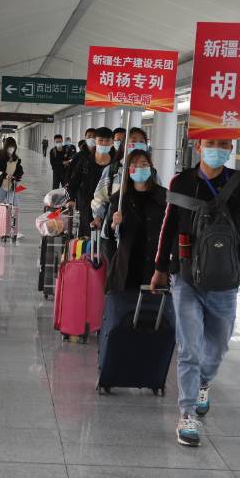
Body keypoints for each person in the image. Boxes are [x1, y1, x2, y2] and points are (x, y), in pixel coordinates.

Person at [151, 128, 240, 447]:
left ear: (231, 149)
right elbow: (169, 225)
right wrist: (159, 268)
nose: (217, 149)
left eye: (224, 145)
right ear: (199, 147)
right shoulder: (181, 182)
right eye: (211, 144)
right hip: (186, 276)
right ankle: (187, 415)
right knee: (189, 348)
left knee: (219, 344)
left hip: (224, 279)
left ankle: (202, 382)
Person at [100, 148, 173, 368]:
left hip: (153, 265)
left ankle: (147, 361)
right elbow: (107, 235)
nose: (140, 169)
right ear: (128, 170)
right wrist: (114, 223)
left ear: (151, 168)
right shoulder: (119, 198)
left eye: (144, 165)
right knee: (125, 314)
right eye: (135, 165)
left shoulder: (164, 197)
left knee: (151, 316)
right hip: (126, 266)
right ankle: (122, 359)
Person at [67, 126, 113, 236]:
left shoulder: (115, 164)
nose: (104, 144)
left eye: (107, 141)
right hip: (87, 204)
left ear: (112, 142)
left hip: (109, 206)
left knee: (106, 236)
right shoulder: (85, 162)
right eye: (101, 140)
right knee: (87, 236)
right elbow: (74, 182)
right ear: (95, 141)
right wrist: (71, 199)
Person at [0, 136, 25, 238]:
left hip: (12, 186)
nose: (11, 149)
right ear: (6, 147)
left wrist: (17, 177)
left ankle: (13, 230)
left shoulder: (16, 159)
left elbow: (19, 170)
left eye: (13, 147)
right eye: (10, 147)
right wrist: (5, 175)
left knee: (14, 207)